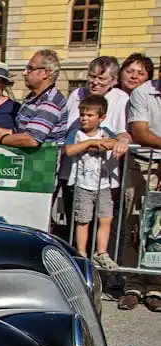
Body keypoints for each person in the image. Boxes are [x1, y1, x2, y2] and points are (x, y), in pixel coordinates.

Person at [118, 77, 161, 311]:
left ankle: (156, 287)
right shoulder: (143, 93)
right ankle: (132, 286)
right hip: (143, 162)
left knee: (159, 230)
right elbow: (141, 133)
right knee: (134, 224)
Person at [63, 95, 120, 269]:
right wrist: (91, 143)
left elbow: (113, 143)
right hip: (83, 184)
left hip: (103, 184)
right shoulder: (76, 133)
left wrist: (104, 142)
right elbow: (70, 150)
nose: (84, 119)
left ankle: (101, 252)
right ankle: (81, 253)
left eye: (89, 115)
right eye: (82, 115)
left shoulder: (106, 132)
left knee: (106, 218)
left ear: (101, 118)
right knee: (83, 220)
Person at [0, 50, 66, 148]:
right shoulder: (33, 98)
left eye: (30, 68)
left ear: (45, 73)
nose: (24, 73)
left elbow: (32, 139)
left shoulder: (50, 101)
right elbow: (20, 132)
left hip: (43, 161)